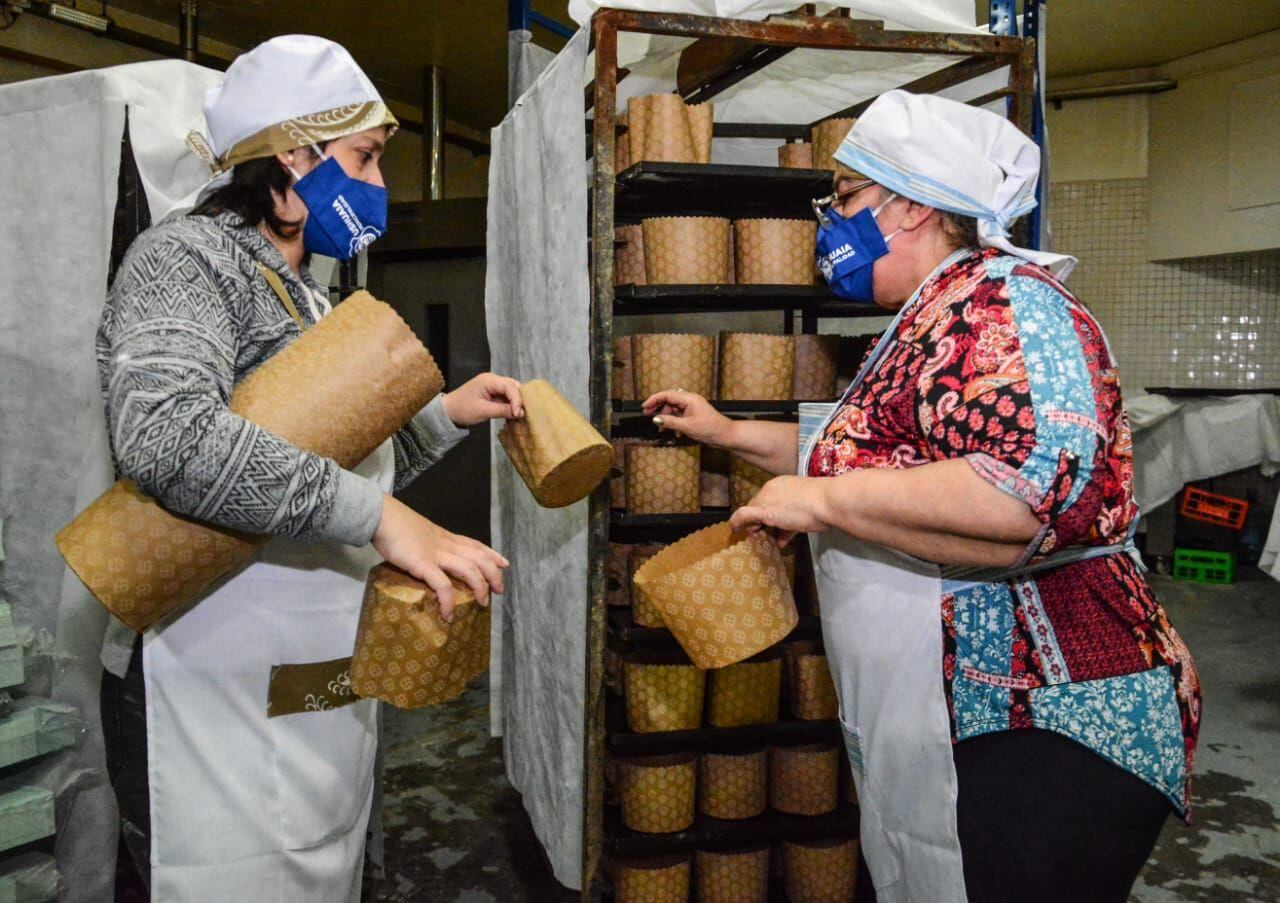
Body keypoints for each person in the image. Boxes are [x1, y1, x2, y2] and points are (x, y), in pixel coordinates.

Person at [643, 90, 1200, 903]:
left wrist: (821, 505)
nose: (829, 224)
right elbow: (872, 460)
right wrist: (729, 433)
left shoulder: (1008, 304)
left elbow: (1024, 494)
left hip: (1059, 720)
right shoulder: (936, 312)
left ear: (907, 208)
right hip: (967, 717)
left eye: (843, 199)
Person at [97, 35, 521, 902]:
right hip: (208, 670)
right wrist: (386, 522)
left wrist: (445, 416)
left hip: (308, 669)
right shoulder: (186, 262)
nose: (377, 184)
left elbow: (341, 470)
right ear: (292, 154)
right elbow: (170, 439)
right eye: (363, 157)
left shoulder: (308, 290)